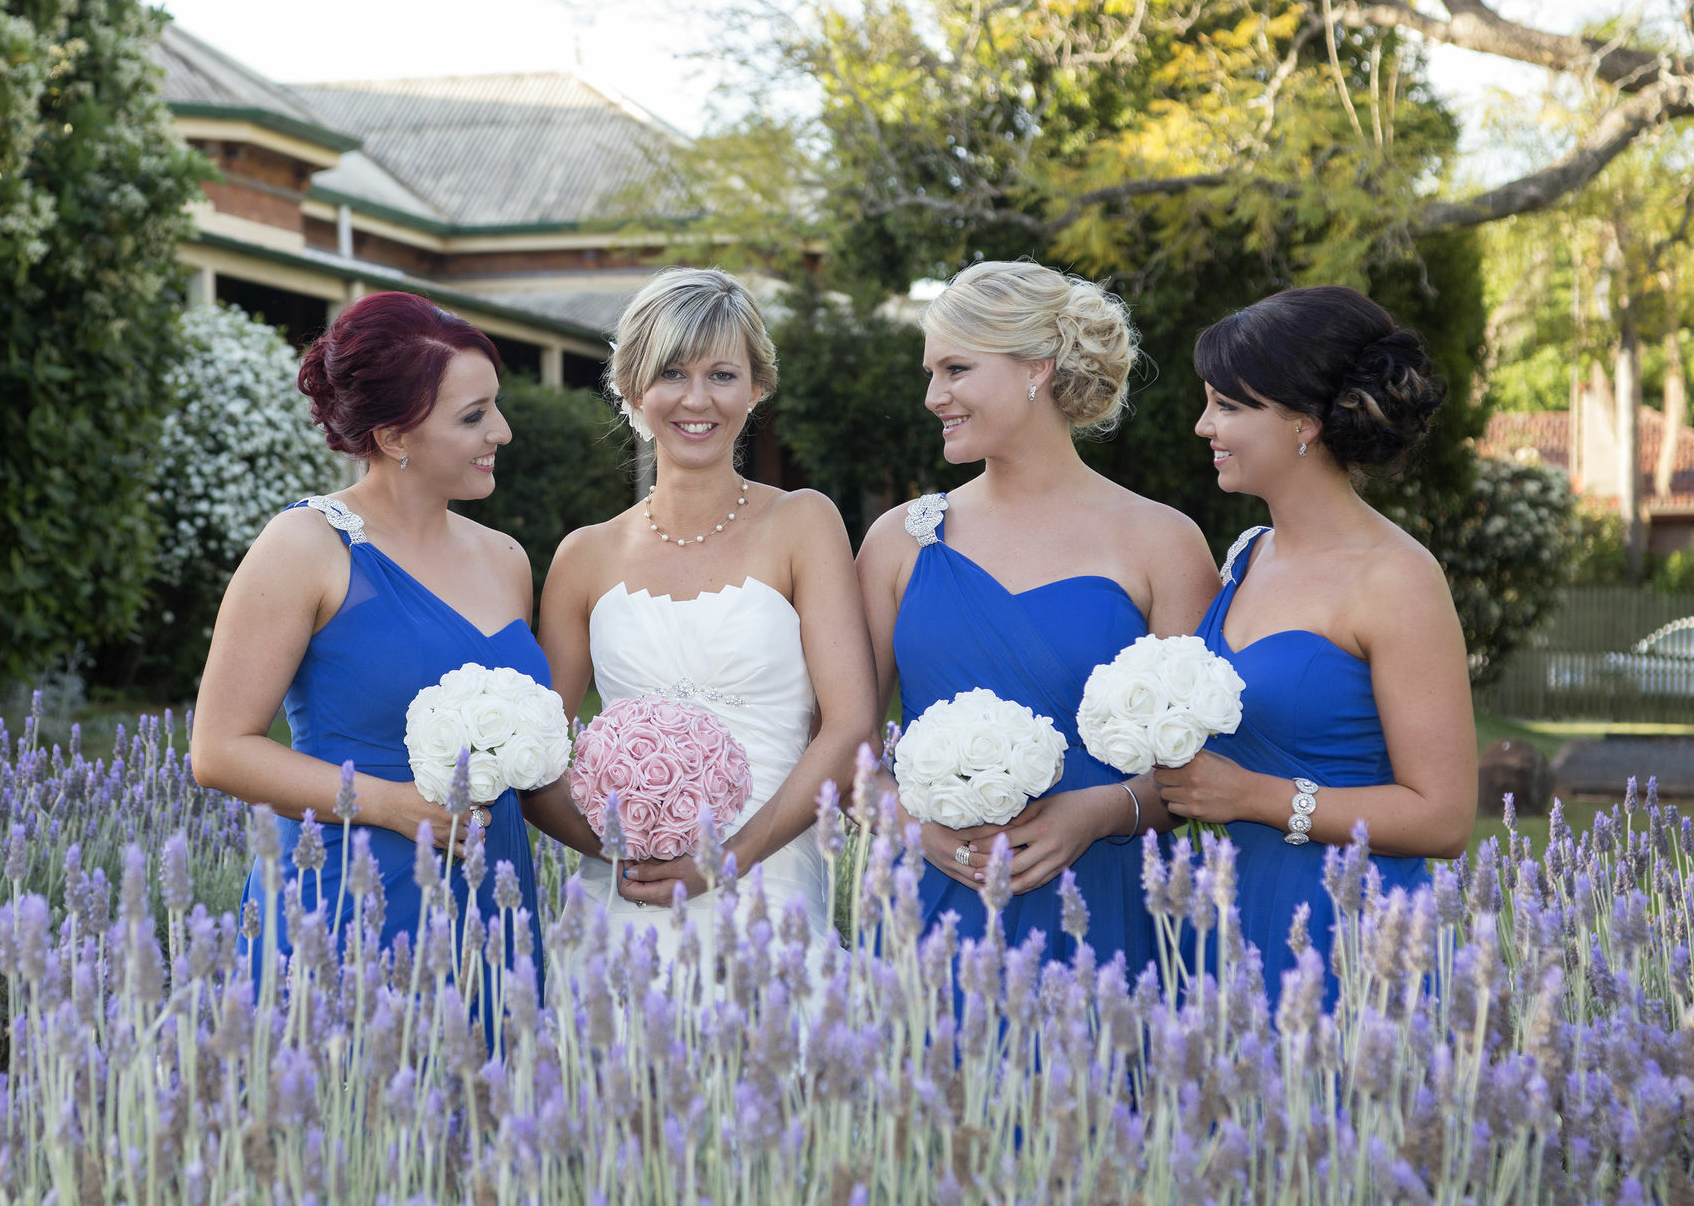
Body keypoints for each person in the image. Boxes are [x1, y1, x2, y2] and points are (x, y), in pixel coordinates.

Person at [189, 291, 599, 977]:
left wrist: (642, 833)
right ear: (393, 436)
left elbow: (535, 770)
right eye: (474, 416)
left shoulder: (505, 560)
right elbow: (218, 750)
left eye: (496, 405)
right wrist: (393, 806)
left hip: (488, 907)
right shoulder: (304, 546)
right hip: (350, 903)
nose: (502, 431)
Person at [856, 260, 1217, 969]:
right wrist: (914, 828)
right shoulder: (899, 541)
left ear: (1036, 368)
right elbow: (846, 746)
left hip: (1102, 900)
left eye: (956, 369)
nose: (934, 396)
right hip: (930, 899)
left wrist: (1103, 813)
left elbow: (1204, 763)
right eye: (931, 373)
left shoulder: (1163, 542)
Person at [538, 267, 876, 959]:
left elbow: (849, 727)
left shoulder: (804, 522)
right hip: (618, 900)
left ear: (756, 388)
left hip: (771, 886)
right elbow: (534, 756)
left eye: (722, 374)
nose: (697, 399)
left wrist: (729, 857)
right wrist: (624, 851)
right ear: (632, 388)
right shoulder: (583, 557)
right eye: (671, 373)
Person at [1156, 285, 1475, 1009]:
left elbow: (1445, 816)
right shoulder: (1245, 556)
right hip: (1224, 922)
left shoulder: (1397, 579)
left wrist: (1254, 796)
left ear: (1304, 421)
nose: (1205, 425)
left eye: (1228, 406)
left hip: (1345, 934)